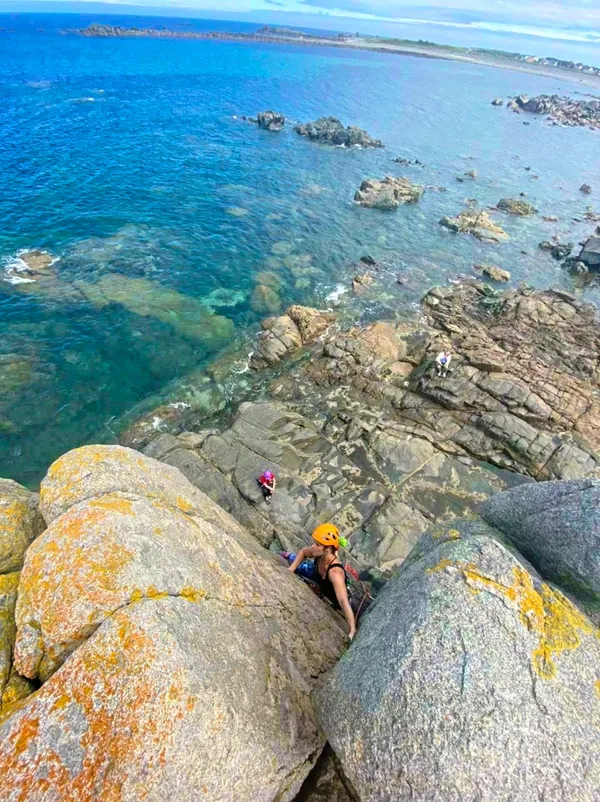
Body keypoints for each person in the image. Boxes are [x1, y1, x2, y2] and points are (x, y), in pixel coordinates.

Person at [283, 524, 357, 640]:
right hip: (317, 575)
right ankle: (289, 556)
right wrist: (291, 569)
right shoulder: (319, 553)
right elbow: (303, 552)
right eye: (314, 543)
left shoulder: (335, 572)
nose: (313, 546)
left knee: (299, 564)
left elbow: (343, 601)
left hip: (333, 596)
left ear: (328, 549)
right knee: (294, 560)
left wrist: (352, 629)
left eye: (317, 544)